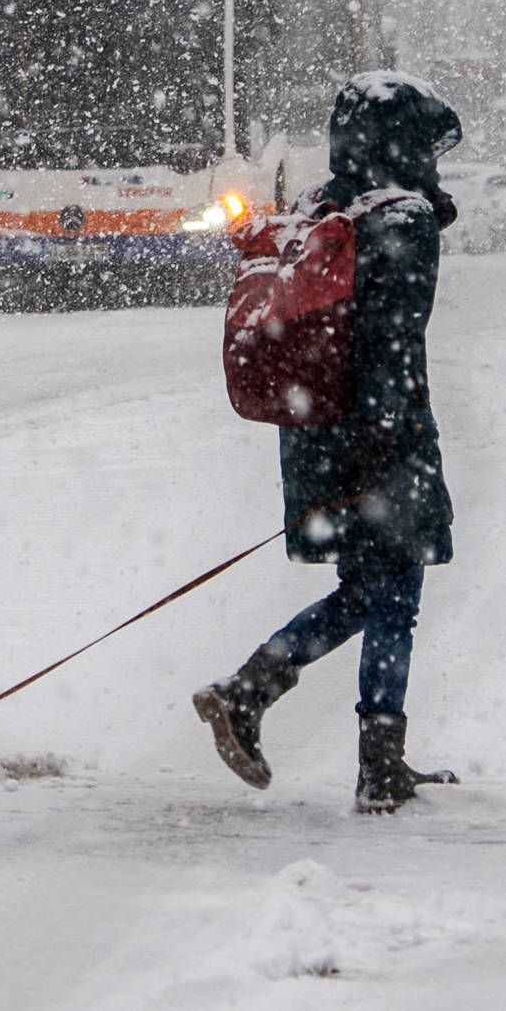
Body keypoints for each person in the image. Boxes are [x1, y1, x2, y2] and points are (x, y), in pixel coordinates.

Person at [194, 72, 464, 813]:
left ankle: (249, 691)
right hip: (379, 431)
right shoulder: (403, 218)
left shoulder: (318, 205)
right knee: (397, 593)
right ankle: (378, 763)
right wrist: (383, 444)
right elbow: (393, 341)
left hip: (311, 428)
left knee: (364, 589)